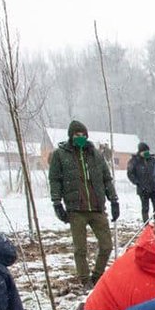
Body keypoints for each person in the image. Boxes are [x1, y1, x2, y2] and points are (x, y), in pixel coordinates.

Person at [49, 120, 120, 288]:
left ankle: (97, 276)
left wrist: (114, 200)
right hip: (76, 209)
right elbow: (55, 179)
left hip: (97, 207)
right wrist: (57, 202)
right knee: (80, 249)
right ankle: (85, 279)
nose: (80, 137)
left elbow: (106, 178)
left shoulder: (95, 154)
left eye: (83, 135)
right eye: (76, 135)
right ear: (71, 136)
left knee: (107, 246)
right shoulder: (60, 155)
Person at [127, 142, 155, 222]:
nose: (146, 153)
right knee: (145, 208)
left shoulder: (152, 160)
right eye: (144, 151)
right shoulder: (134, 161)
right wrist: (137, 182)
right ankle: (146, 224)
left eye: (147, 151)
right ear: (140, 152)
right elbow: (130, 173)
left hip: (154, 187)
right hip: (143, 189)